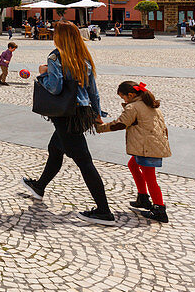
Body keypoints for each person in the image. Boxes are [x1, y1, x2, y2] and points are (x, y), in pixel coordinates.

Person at [21, 20, 115, 226]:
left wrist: (43, 74)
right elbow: (93, 92)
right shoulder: (84, 58)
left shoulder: (56, 57)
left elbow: (54, 88)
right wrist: (97, 114)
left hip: (65, 115)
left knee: (84, 161)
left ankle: (104, 211)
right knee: (55, 148)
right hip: (82, 112)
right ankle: (39, 186)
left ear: (60, 37)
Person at [97, 81, 172, 224]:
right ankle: (143, 198)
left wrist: (100, 127)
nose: (123, 100)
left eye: (123, 97)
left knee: (150, 178)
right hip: (152, 144)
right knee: (133, 165)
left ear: (130, 95)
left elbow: (120, 124)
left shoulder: (133, 107)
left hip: (147, 147)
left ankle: (160, 209)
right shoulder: (150, 104)